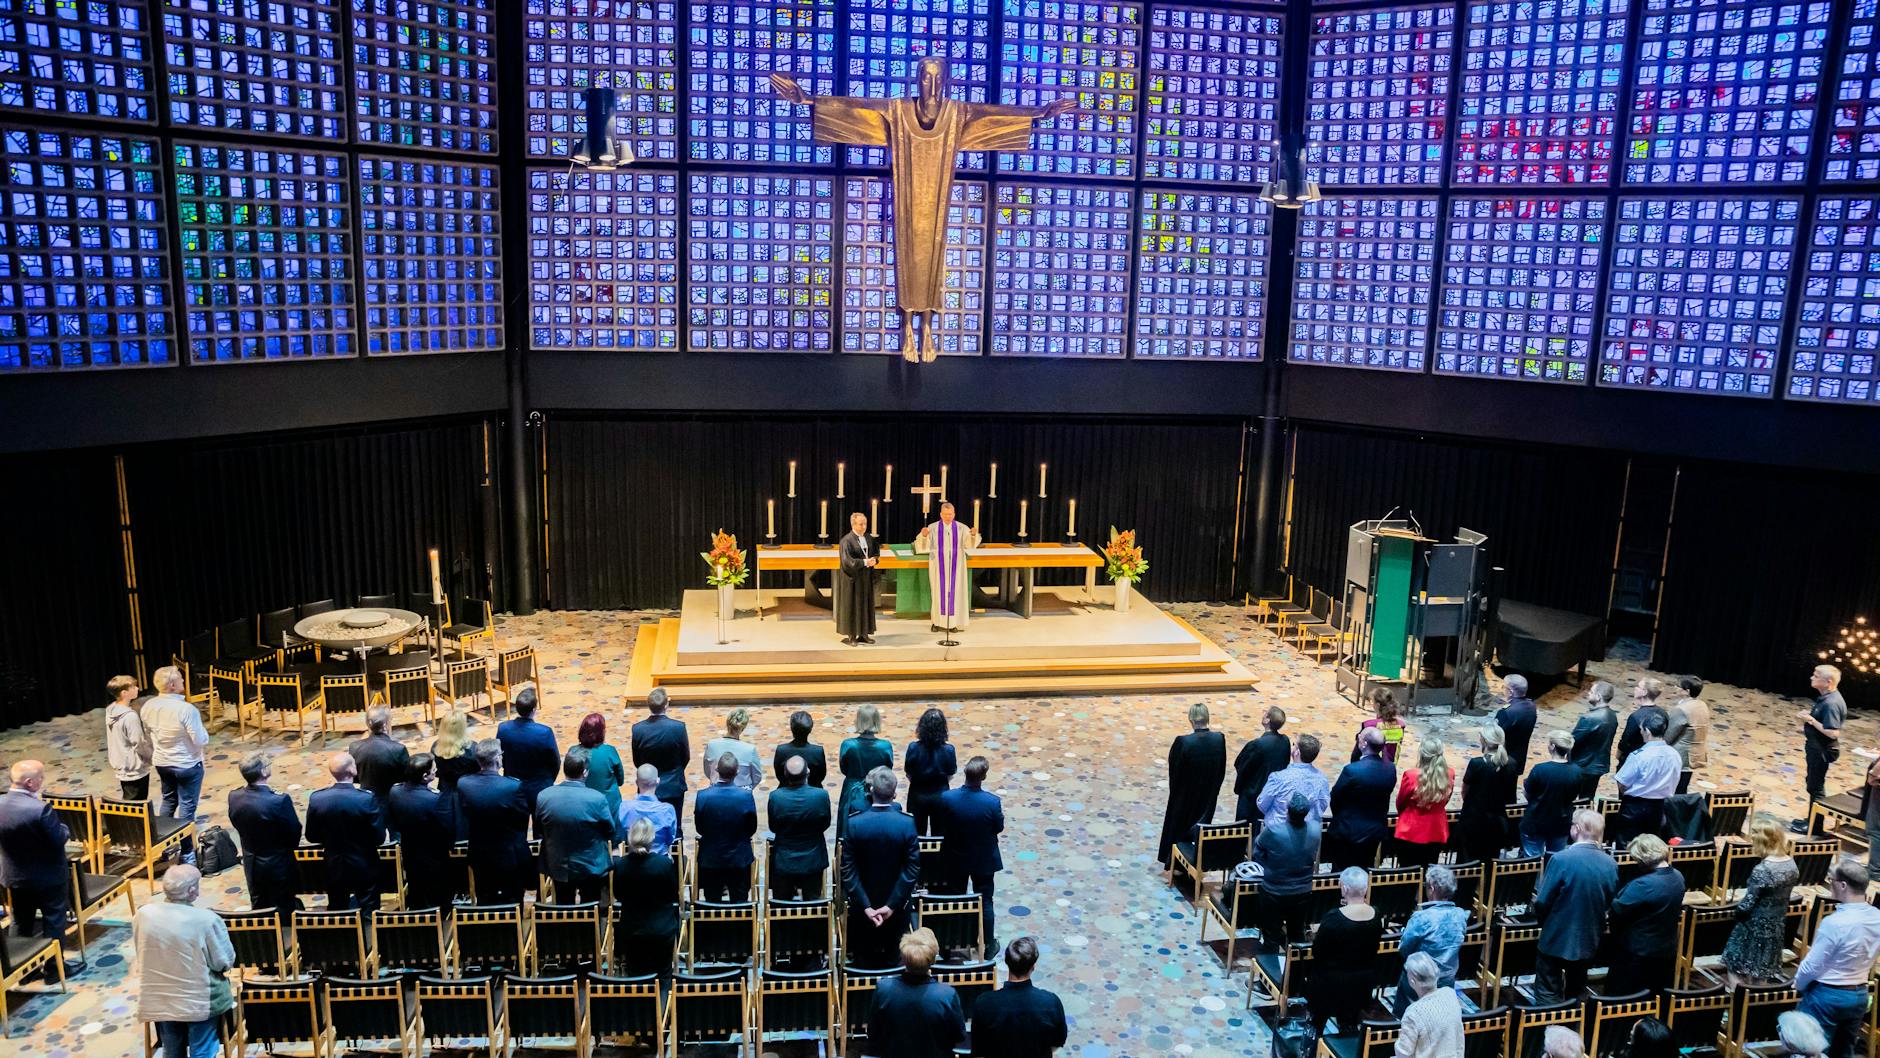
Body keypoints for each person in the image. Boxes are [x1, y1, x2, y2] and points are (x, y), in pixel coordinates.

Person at [133, 864, 235, 1058]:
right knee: (202, 1048)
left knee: (171, 1048)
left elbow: (142, 952)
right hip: (199, 1000)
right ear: (192, 891)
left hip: (159, 996)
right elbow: (224, 962)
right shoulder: (207, 919)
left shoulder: (143, 914)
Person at [1792, 858, 1880, 1058]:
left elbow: (1813, 965)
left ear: (1843, 885)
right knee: (1843, 1051)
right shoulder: (1877, 916)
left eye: (1831, 880)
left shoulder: (1835, 922)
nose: (1829, 884)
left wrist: (1798, 983)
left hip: (1827, 995)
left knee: (1810, 1051)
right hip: (1859, 994)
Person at [1530, 809, 1618, 1003]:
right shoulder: (1611, 864)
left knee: (1547, 992)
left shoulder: (1561, 859)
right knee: (1577, 990)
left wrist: (1545, 924)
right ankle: (1571, 1030)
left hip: (1556, 936)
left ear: (1576, 829)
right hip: (1589, 938)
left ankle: (1550, 1029)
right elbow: (1610, 900)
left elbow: (1543, 900)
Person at [843, 766, 921, 967]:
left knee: (862, 962)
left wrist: (867, 906)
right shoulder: (906, 824)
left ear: (870, 791)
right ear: (895, 794)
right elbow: (912, 869)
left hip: (863, 910)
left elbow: (848, 871)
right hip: (896, 910)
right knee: (895, 963)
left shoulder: (855, 823)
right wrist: (891, 905)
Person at [1721, 814, 1801, 987]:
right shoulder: (1791, 864)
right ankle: (1752, 1009)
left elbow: (1748, 904)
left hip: (1753, 927)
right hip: (1776, 925)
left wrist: (1735, 911)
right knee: (1760, 971)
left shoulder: (1763, 869)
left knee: (1734, 966)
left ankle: (1738, 1004)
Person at [1605, 835, 1686, 997]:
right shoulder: (1678, 876)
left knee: (1625, 998)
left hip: (1638, 952)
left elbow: (1618, 909)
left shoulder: (1644, 884)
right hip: (1666, 949)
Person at [305, 752, 386, 913]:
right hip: (364, 862)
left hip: (333, 863)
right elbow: (379, 837)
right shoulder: (366, 798)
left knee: (337, 908)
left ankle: (343, 938)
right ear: (351, 770)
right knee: (369, 907)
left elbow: (311, 836)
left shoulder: (317, 798)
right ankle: (370, 937)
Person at [0, 759, 72, 940]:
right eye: (41, 777)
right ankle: (54, 966)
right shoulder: (40, 810)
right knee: (54, 920)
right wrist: (64, 827)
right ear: (29, 783)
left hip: (16, 877)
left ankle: (21, 965)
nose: (43, 780)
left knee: (21, 922)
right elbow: (59, 838)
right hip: (48, 878)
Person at [1308, 867, 1383, 1036]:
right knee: (1349, 1026)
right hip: (1362, 984)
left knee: (1316, 1024)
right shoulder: (1377, 915)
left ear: (1345, 889)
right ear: (1365, 889)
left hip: (1330, 984)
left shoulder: (1334, 918)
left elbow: (1318, 951)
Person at [143, 666, 208, 863]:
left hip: (163, 762)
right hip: (187, 764)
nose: (183, 681)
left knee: (168, 801)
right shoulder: (186, 709)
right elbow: (199, 740)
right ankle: (187, 852)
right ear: (172, 685)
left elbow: (148, 733)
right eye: (180, 678)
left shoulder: (148, 706)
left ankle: (164, 845)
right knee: (187, 808)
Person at [869, 927, 966, 1058]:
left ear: (903, 959)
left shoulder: (883, 989)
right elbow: (959, 1036)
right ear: (933, 960)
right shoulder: (947, 995)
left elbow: (873, 1033)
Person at [938, 755, 1004, 948]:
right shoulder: (992, 802)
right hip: (983, 860)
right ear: (983, 777)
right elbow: (998, 827)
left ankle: (953, 941)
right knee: (985, 901)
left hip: (955, 857)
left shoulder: (948, 798)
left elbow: (943, 824)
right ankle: (988, 944)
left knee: (955, 898)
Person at [535, 747, 616, 903]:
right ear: (585, 773)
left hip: (557, 863)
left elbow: (539, 830)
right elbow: (610, 831)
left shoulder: (544, 796)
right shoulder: (596, 799)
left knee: (563, 907)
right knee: (591, 906)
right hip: (590, 865)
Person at [226, 753, 302, 915]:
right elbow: (294, 830)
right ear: (264, 772)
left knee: (260, 905)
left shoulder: (234, 796)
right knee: (284, 904)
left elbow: (235, 822)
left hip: (251, 861)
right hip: (278, 862)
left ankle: (266, 939)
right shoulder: (278, 800)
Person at [457, 739, 530, 905]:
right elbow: (522, 819)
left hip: (479, 852)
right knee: (512, 900)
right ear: (498, 759)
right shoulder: (513, 786)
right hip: (509, 853)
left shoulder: (464, 784)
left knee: (485, 899)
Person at [970, 937, 1069, 1058]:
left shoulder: (984, 1003)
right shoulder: (1051, 1002)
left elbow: (978, 1048)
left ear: (1006, 962)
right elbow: (1058, 1042)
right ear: (1033, 967)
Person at [1393, 865, 1469, 1017]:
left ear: (1432, 889)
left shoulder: (1422, 917)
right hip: (1447, 979)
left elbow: (1404, 949)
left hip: (1419, 980)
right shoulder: (1461, 915)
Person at [612, 818, 681, 977]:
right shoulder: (664, 864)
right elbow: (673, 894)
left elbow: (618, 895)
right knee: (664, 975)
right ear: (652, 838)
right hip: (662, 929)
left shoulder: (621, 865)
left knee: (635, 975)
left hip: (632, 930)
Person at [1254, 793, 1321, 950]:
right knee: (1297, 934)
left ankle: (1271, 969)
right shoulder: (1315, 829)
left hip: (1274, 890)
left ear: (1287, 810)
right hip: (1303, 891)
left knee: (1271, 936)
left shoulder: (1274, 831)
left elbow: (1258, 853)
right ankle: (1295, 972)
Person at [387, 754, 454, 912]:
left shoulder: (395, 791)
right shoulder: (435, 799)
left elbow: (393, 819)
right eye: (433, 770)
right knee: (438, 894)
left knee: (417, 887)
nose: (436, 772)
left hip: (409, 849)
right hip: (434, 853)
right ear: (425, 776)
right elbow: (447, 828)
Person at [1327, 727, 1397, 870]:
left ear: (1364, 744)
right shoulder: (1390, 768)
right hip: (1374, 831)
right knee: (1365, 869)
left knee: (1341, 870)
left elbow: (1335, 797)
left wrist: (1341, 816)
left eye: (1361, 736)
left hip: (1348, 831)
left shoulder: (1352, 770)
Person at [695, 752, 759, 902]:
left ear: (716, 770)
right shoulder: (745, 796)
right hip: (739, 859)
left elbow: (700, 828)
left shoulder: (703, 796)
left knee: (712, 902)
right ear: (737, 772)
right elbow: (752, 828)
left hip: (711, 859)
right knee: (740, 901)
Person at [768, 753, 832, 900]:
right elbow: (825, 824)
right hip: (813, 859)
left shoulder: (776, 797)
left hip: (784, 860)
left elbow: (773, 827)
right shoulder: (821, 795)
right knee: (813, 903)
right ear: (808, 773)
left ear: (785, 774)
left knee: (781, 906)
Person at [914, 501, 981, 633]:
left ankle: (953, 623)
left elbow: (970, 544)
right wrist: (924, 536)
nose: (948, 517)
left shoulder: (962, 528)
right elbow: (922, 545)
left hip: (957, 566)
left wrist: (973, 535)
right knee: (938, 594)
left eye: (950, 514)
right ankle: (936, 622)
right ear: (941, 514)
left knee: (955, 594)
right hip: (938, 567)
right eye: (945, 514)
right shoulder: (933, 527)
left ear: (954, 514)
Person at [632, 687, 691, 836]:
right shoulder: (678, 728)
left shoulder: (638, 729)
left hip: (648, 785)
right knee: (675, 827)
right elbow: (685, 757)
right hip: (673, 785)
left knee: (647, 828)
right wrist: (675, 771)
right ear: (666, 705)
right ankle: (677, 858)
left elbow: (637, 761)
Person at [1612, 712, 1679, 843]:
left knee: (1626, 845)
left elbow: (1622, 784)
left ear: (1647, 731)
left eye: (1642, 730)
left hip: (1634, 807)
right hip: (1658, 807)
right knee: (1650, 845)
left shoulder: (1639, 756)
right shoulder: (1674, 755)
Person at [1458, 726, 1518, 863]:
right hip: (1496, 822)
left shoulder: (1477, 764)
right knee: (1490, 861)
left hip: (1472, 820)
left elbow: (1465, 790)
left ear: (1483, 741)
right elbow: (1510, 797)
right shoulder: (1512, 764)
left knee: (1467, 861)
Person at [1800, 664, 1847, 830]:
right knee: (1812, 783)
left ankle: (1815, 826)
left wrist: (1810, 720)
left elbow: (1833, 732)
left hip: (1822, 750)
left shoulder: (1831, 703)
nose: (1812, 678)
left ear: (1828, 682)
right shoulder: (1826, 698)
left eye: (1816, 675)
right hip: (1815, 747)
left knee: (1816, 786)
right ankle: (1811, 821)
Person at [498, 687, 560, 813]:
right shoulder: (544, 732)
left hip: (513, 786)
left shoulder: (503, 728)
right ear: (534, 710)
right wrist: (548, 781)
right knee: (540, 830)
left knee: (517, 828)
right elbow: (555, 761)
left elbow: (500, 757)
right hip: (539, 787)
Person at [1521, 732, 1582, 856]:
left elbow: (1527, 793)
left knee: (1532, 861)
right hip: (1561, 823)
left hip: (1536, 821)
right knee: (1555, 860)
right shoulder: (1577, 771)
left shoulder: (1540, 769)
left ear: (1553, 746)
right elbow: (1574, 795)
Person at [839, 704, 895, 840]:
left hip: (851, 790)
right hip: (878, 788)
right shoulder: (885, 746)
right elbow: (888, 769)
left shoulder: (848, 745)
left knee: (848, 829)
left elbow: (844, 769)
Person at [1394, 740, 1453, 868]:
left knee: (1407, 872)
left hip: (1410, 831)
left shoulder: (1411, 775)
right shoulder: (1449, 774)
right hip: (1436, 830)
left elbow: (1400, 802)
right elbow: (1447, 798)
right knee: (1429, 870)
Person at [1255, 732, 1330, 830]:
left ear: (1297, 752)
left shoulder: (1279, 778)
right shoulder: (1322, 780)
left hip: (1278, 834)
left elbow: (1262, 804)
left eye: (1294, 745)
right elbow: (1322, 806)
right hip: (1307, 835)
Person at [1395, 951, 1464, 1058]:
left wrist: (1398, 1043)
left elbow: (1403, 1053)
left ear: (1412, 981)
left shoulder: (1413, 1013)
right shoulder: (1450, 994)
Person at [905, 707, 957, 836]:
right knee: (940, 833)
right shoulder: (949, 750)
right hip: (940, 795)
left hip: (917, 795)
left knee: (916, 833)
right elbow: (951, 773)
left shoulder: (913, 747)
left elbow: (909, 773)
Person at [1235, 706, 1290, 822]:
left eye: (1265, 713)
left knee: (1247, 828)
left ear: (1267, 720)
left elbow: (1241, 765)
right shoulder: (1285, 741)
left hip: (1254, 794)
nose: (1263, 714)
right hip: (1274, 793)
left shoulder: (1257, 745)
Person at [348, 705, 409, 808]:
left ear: (368, 723)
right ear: (385, 725)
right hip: (393, 802)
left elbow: (354, 777)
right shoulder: (398, 749)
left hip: (365, 801)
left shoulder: (354, 747)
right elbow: (407, 778)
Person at [431, 708, 479, 837]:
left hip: (445, 791)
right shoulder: (473, 749)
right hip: (467, 793)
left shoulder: (436, 747)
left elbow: (437, 772)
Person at [1570, 681, 1621, 799]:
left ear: (1598, 697)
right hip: (1598, 765)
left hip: (1583, 765)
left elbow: (1573, 741)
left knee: (1570, 798)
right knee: (1587, 798)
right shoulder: (1612, 715)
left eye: (1591, 692)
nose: (1588, 693)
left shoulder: (1590, 718)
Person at [577, 712, 627, 830]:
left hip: (583, 806)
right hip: (608, 806)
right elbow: (620, 780)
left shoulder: (574, 752)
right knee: (613, 844)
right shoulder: (609, 751)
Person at [106, 675, 152, 800]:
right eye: (134, 687)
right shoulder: (130, 716)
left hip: (121, 762)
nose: (137, 688)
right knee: (136, 802)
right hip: (134, 766)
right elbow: (138, 743)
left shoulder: (111, 710)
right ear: (124, 693)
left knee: (130, 797)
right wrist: (150, 757)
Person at [837, 509, 880, 645]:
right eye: (861, 524)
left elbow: (875, 553)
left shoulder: (868, 538)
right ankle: (851, 636)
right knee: (852, 605)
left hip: (865, 578)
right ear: (853, 525)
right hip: (852, 579)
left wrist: (875, 560)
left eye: (865, 524)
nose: (864, 527)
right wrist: (865, 562)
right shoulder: (846, 540)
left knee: (865, 604)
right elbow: (847, 561)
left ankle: (864, 634)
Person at [620, 763, 677, 851]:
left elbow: (622, 835)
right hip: (660, 859)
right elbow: (670, 839)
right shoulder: (667, 810)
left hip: (632, 858)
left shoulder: (625, 807)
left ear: (636, 782)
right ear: (658, 781)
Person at [703, 707, 763, 791]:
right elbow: (757, 776)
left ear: (727, 723)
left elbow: (707, 770)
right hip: (742, 792)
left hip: (716, 789)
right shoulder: (750, 749)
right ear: (743, 728)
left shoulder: (712, 745)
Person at [1617, 678, 1669, 770]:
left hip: (1633, 760)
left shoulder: (1636, 716)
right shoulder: (1664, 714)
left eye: (1638, 687)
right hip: (1654, 759)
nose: (1635, 688)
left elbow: (1626, 740)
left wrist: (1619, 753)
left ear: (1644, 692)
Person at [1496, 673, 1538, 773]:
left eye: (1504, 687)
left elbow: (1494, 736)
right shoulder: (1531, 707)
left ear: (1510, 692)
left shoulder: (1506, 712)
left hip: (1503, 760)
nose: (1503, 689)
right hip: (1519, 758)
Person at [773, 709, 827, 788]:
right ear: (810, 728)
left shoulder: (781, 750)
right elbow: (820, 777)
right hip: (813, 791)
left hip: (787, 789)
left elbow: (779, 776)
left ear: (791, 728)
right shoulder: (818, 751)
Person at [1356, 687, 1407, 764]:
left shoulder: (1369, 725)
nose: (1371, 703)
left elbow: (1357, 753)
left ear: (1377, 705)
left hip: (1370, 767)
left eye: (1372, 701)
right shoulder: (1401, 725)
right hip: (1390, 768)